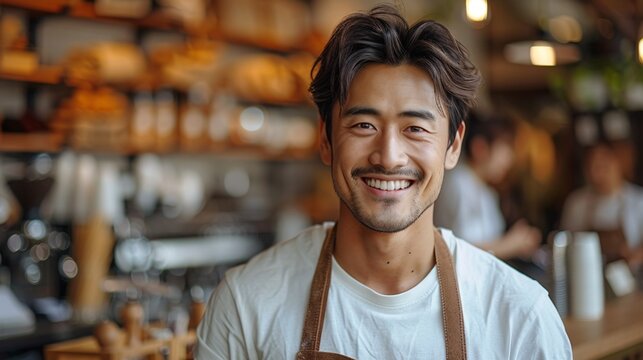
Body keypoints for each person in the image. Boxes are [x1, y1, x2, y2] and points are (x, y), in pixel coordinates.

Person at [196, 5, 571, 359]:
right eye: (364, 125)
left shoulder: (521, 316)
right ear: (325, 140)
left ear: (453, 145)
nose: (389, 156)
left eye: (415, 128)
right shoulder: (246, 305)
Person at [434, 114, 542, 260]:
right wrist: (511, 244)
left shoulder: (486, 192)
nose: (509, 159)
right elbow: (463, 251)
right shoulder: (459, 182)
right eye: (505, 148)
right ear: (480, 147)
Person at [561, 139, 643, 265]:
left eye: (603, 165)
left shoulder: (638, 200)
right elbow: (565, 245)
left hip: (627, 278)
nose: (596, 173)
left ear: (618, 163)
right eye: (591, 166)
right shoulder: (576, 202)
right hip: (584, 274)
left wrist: (636, 255)